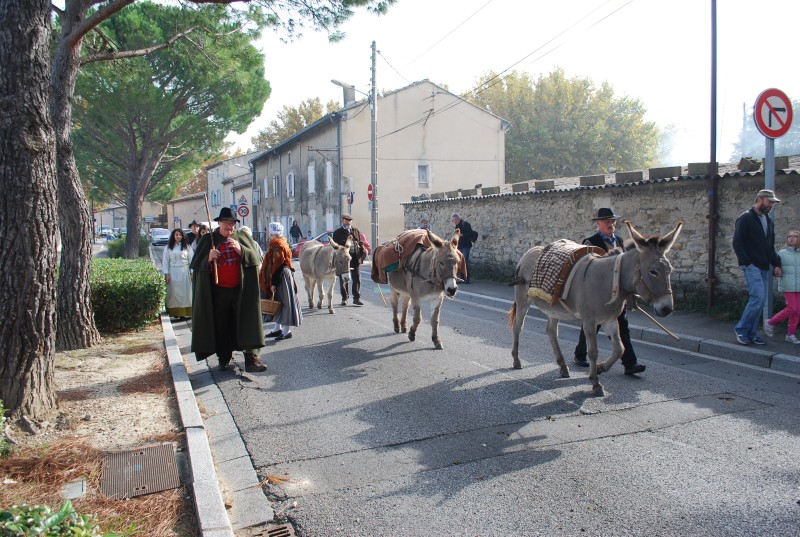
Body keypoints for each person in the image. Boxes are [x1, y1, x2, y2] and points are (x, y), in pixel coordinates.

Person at [190, 207, 267, 373]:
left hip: (241, 291)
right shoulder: (208, 240)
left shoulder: (242, 237)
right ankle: (224, 359)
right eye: (226, 223)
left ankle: (252, 360)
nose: (229, 227)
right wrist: (208, 259)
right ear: (219, 223)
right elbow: (197, 266)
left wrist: (242, 251)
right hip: (218, 292)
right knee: (222, 326)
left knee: (247, 323)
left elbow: (255, 258)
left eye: (232, 224)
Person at [573, 208, 646, 375]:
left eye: (612, 221)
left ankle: (630, 363)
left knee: (623, 326)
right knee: (591, 326)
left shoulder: (619, 241)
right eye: (606, 221)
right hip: (596, 294)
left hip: (617, 294)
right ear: (598, 223)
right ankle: (580, 354)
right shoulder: (590, 242)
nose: (610, 224)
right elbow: (586, 269)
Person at [733, 189, 782, 346]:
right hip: (751, 265)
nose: (771, 205)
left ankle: (752, 334)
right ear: (760, 199)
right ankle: (741, 330)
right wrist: (746, 261)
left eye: (773, 203)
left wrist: (777, 264)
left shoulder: (768, 221)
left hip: (763, 266)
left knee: (760, 302)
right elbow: (737, 242)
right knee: (758, 298)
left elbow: (769, 246)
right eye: (770, 202)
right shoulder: (746, 218)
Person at [260, 222, 303, 341]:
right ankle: (277, 328)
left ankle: (286, 331)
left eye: (269, 231)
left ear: (272, 232)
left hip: (281, 275)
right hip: (282, 274)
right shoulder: (278, 243)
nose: (268, 233)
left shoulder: (277, 245)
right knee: (277, 301)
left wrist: (274, 283)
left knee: (284, 302)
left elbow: (278, 265)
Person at [764, 230, 800, 344]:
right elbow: (775, 268)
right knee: (792, 308)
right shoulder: (782, 253)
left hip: (799, 285)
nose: (791, 238)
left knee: (797, 311)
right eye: (789, 236)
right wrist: (776, 272)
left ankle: (790, 334)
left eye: (795, 236)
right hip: (787, 284)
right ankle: (770, 322)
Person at [332, 213, 366, 306]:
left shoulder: (356, 231)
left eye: (350, 220)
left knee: (357, 278)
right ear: (343, 220)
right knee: (344, 278)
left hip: (355, 258)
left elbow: (360, 242)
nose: (348, 222)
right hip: (343, 259)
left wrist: (363, 249)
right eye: (346, 220)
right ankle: (344, 298)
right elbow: (335, 246)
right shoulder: (337, 232)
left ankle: (356, 298)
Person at [162, 228, 194, 320]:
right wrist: (166, 274)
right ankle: (175, 312)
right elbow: (165, 261)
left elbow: (191, 260)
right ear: (173, 236)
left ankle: (184, 313)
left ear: (182, 236)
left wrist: (191, 272)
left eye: (180, 235)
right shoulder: (168, 248)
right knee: (173, 293)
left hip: (184, 272)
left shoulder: (187, 247)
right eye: (176, 235)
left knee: (185, 293)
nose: (178, 236)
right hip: (173, 272)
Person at [451, 213, 477, 284]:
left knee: (465, 261)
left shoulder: (465, 224)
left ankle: (467, 278)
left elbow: (470, 233)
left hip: (466, 246)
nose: (453, 222)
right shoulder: (457, 225)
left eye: (453, 220)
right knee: (459, 262)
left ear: (457, 219)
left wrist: (462, 235)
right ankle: (461, 278)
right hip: (460, 246)